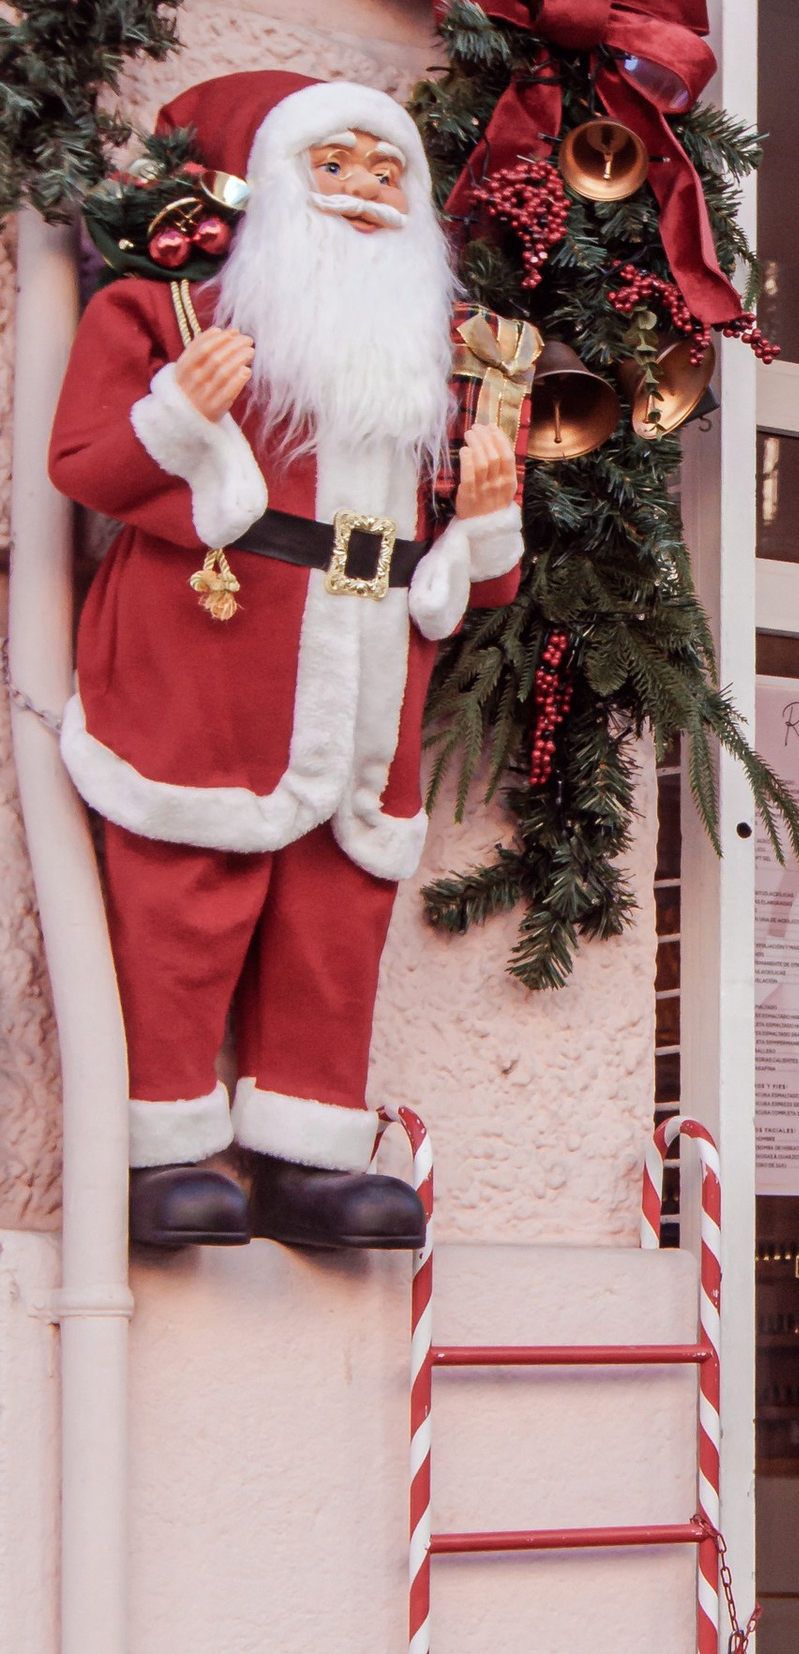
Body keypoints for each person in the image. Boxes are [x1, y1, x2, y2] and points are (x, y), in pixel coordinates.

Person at [47, 68, 524, 1251]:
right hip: (212, 656)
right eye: (336, 166)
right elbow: (86, 467)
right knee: (188, 887)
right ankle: (160, 1149)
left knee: (336, 910)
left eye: (385, 172)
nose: (365, 193)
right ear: (266, 179)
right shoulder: (173, 316)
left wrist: (486, 517)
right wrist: (176, 412)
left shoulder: (442, 363)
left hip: (370, 665)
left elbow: (481, 582)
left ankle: (311, 1150)